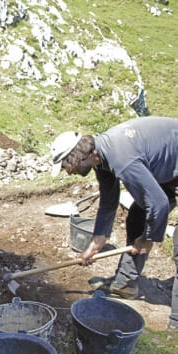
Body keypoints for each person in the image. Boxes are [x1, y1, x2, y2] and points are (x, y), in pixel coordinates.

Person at [50, 116, 178, 329]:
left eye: (66, 166)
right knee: (138, 214)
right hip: (169, 168)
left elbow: (159, 204)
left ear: (77, 157)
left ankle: (175, 327)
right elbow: (109, 202)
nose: (68, 171)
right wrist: (95, 244)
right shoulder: (100, 157)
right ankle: (126, 283)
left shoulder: (122, 159)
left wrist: (148, 239)